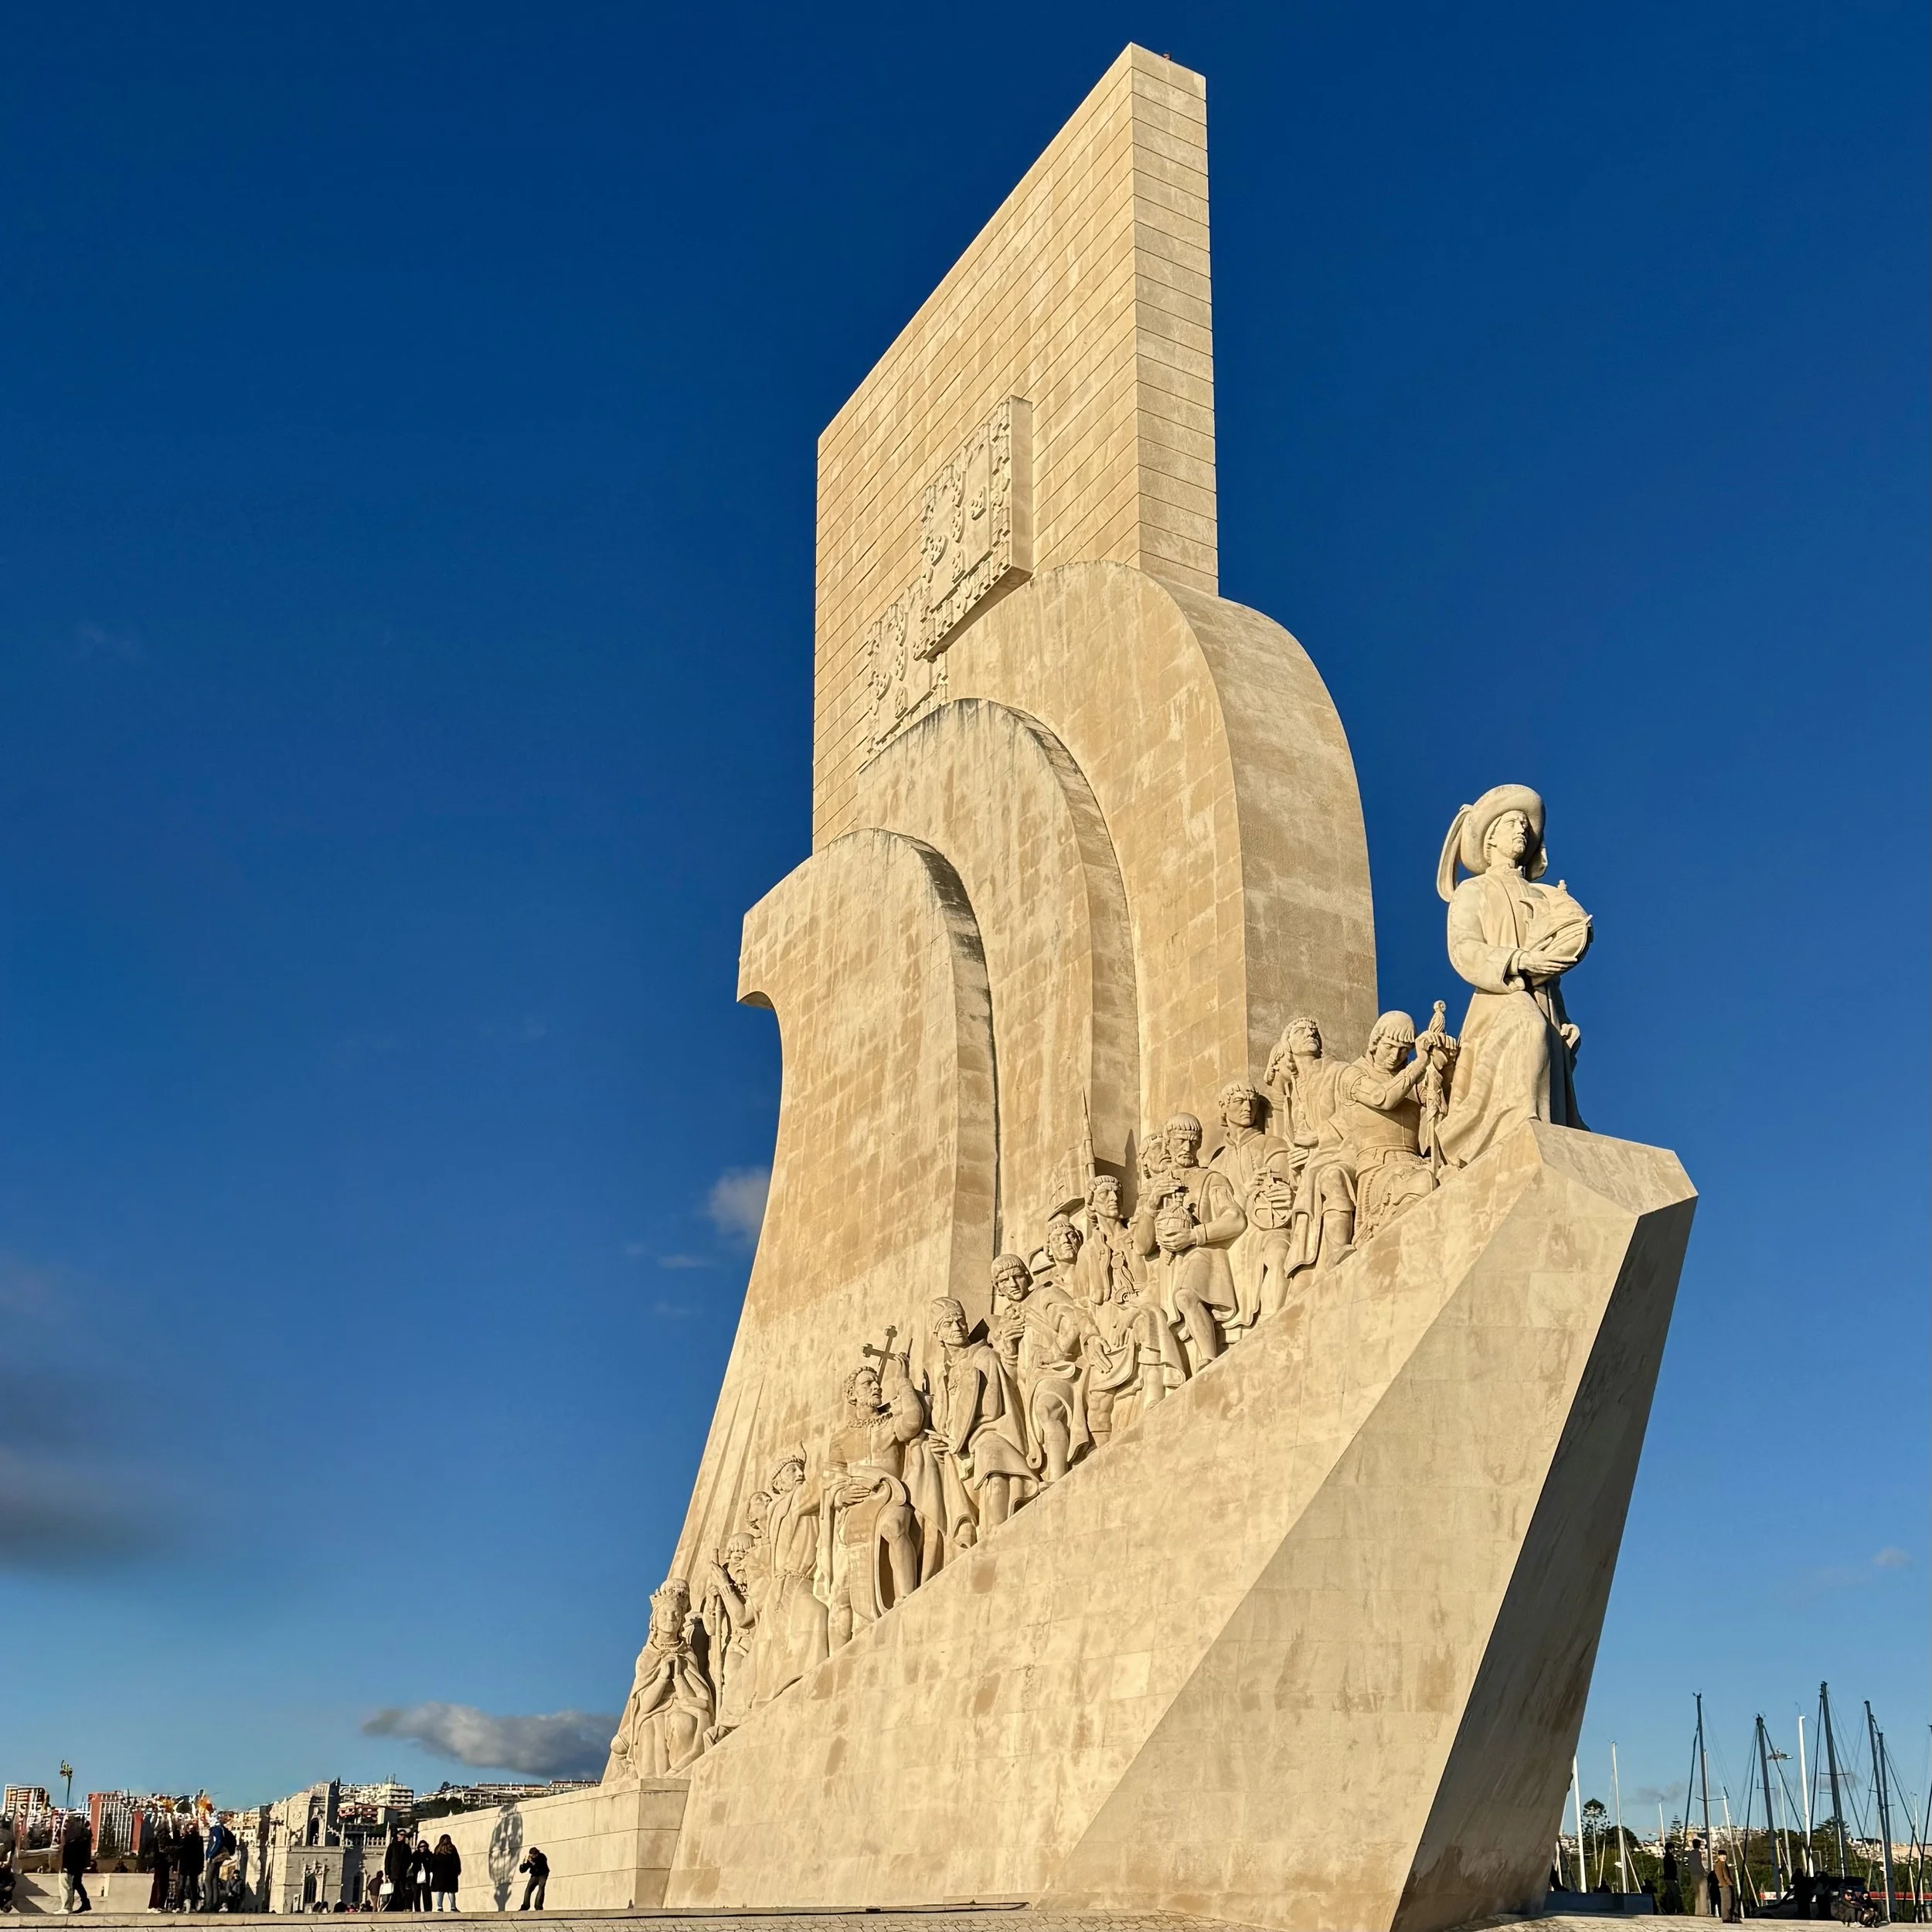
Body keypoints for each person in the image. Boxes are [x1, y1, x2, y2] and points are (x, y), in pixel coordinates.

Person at [1434, 783, 1590, 1167]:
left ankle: (1541, 1134)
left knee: (1544, 1042)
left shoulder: (1546, 896)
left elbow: (1561, 946)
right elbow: (1464, 949)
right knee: (1527, 1027)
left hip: (1545, 999)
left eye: (1525, 825)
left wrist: (1565, 1020)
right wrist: (1517, 962)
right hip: (1499, 998)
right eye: (1511, 824)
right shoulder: (1475, 890)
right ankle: (1516, 1128)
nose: (1521, 830)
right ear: (1490, 840)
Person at [60, 1813, 94, 1915]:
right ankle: (85, 1903)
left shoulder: (76, 1833)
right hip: (80, 1862)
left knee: (75, 1883)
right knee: (76, 1883)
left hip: (75, 1862)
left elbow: (71, 1847)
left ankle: (84, 1903)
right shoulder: (84, 1833)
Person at [382, 1828, 413, 1913]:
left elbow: (409, 1860)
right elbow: (387, 1859)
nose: (403, 1837)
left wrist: (407, 1869)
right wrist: (387, 1872)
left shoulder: (407, 1847)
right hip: (394, 1873)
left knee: (402, 1891)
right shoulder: (392, 1846)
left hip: (403, 1873)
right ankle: (391, 1907)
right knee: (394, 1890)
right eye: (401, 1835)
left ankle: (400, 1907)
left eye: (404, 1835)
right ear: (397, 1835)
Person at [178, 1822, 205, 1913]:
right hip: (189, 1865)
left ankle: (184, 1905)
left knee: (188, 1885)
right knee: (187, 1885)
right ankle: (181, 1905)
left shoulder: (195, 1839)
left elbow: (201, 1854)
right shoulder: (188, 1839)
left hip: (189, 1865)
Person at [429, 1835, 460, 1912]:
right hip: (451, 1874)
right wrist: (457, 1871)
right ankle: (453, 1907)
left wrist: (433, 1872)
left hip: (439, 1875)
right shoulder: (452, 1849)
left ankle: (439, 1907)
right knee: (451, 1891)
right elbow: (456, 1862)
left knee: (440, 1891)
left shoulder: (437, 1850)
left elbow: (432, 1864)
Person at [515, 1848, 547, 1913]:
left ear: (536, 1854)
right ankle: (525, 1906)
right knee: (528, 1889)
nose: (532, 1857)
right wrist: (523, 1865)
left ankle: (538, 1907)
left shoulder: (542, 1857)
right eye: (531, 1856)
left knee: (541, 1888)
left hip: (543, 1874)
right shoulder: (530, 1859)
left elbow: (540, 1867)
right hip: (535, 1875)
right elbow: (523, 1870)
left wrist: (533, 1863)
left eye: (533, 1856)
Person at [411, 1841, 433, 1913]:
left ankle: (428, 1909)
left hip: (426, 1876)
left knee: (426, 1894)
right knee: (416, 1894)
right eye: (421, 1846)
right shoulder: (415, 1855)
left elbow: (431, 1865)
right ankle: (417, 1909)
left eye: (424, 1846)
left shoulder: (429, 1855)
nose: (423, 1848)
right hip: (416, 1876)